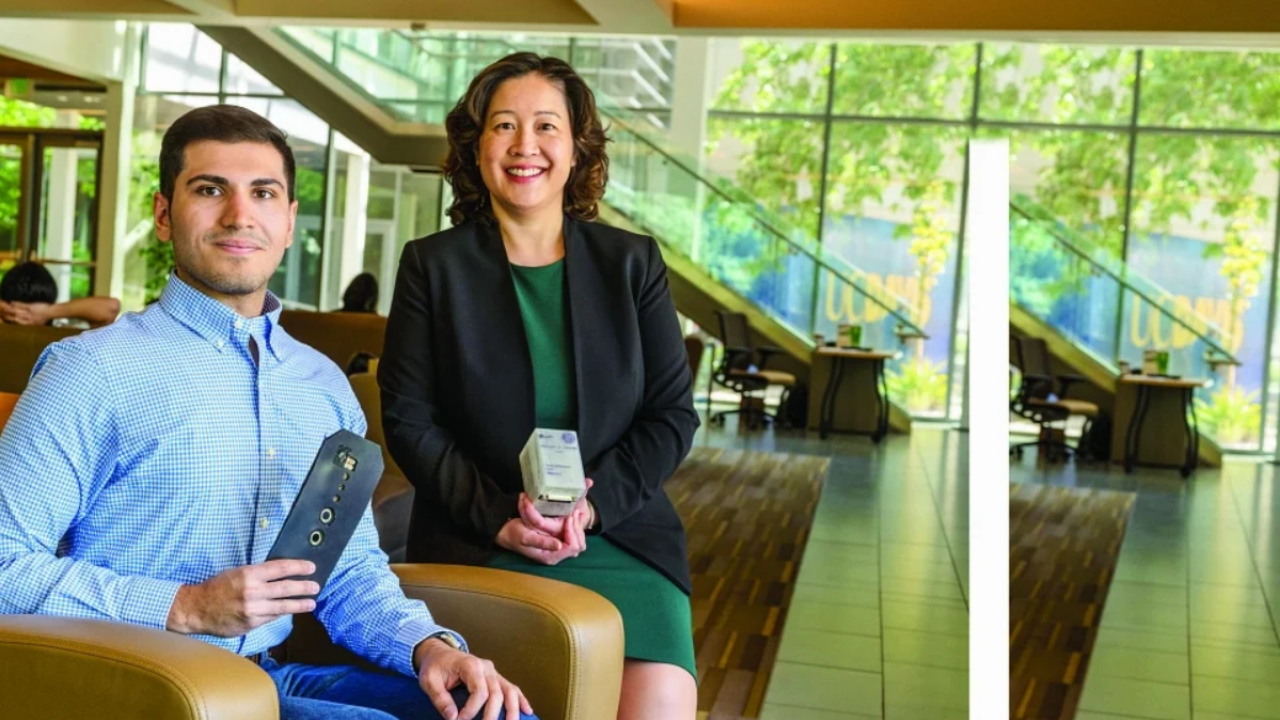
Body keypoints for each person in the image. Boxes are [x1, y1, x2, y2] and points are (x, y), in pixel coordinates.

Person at [0, 104, 535, 720]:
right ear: (163, 215)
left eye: (263, 193)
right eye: (209, 189)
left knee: (494, 713)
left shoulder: (323, 386)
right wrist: (184, 606)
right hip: (141, 687)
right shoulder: (90, 371)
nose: (239, 214)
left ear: (288, 222)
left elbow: (345, 569)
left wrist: (427, 647)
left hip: (269, 680)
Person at [379, 53, 699, 720]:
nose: (525, 146)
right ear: (476, 147)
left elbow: (671, 416)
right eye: (503, 126)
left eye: (546, 126)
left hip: (618, 535)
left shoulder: (632, 263)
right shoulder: (431, 266)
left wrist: (591, 508)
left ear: (577, 148)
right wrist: (501, 517)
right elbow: (410, 421)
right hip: (481, 539)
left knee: (660, 703)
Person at [0, 260, 121, 328]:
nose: (25, 316)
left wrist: (47, 312)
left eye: (30, 311)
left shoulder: (62, 333)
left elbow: (110, 307)